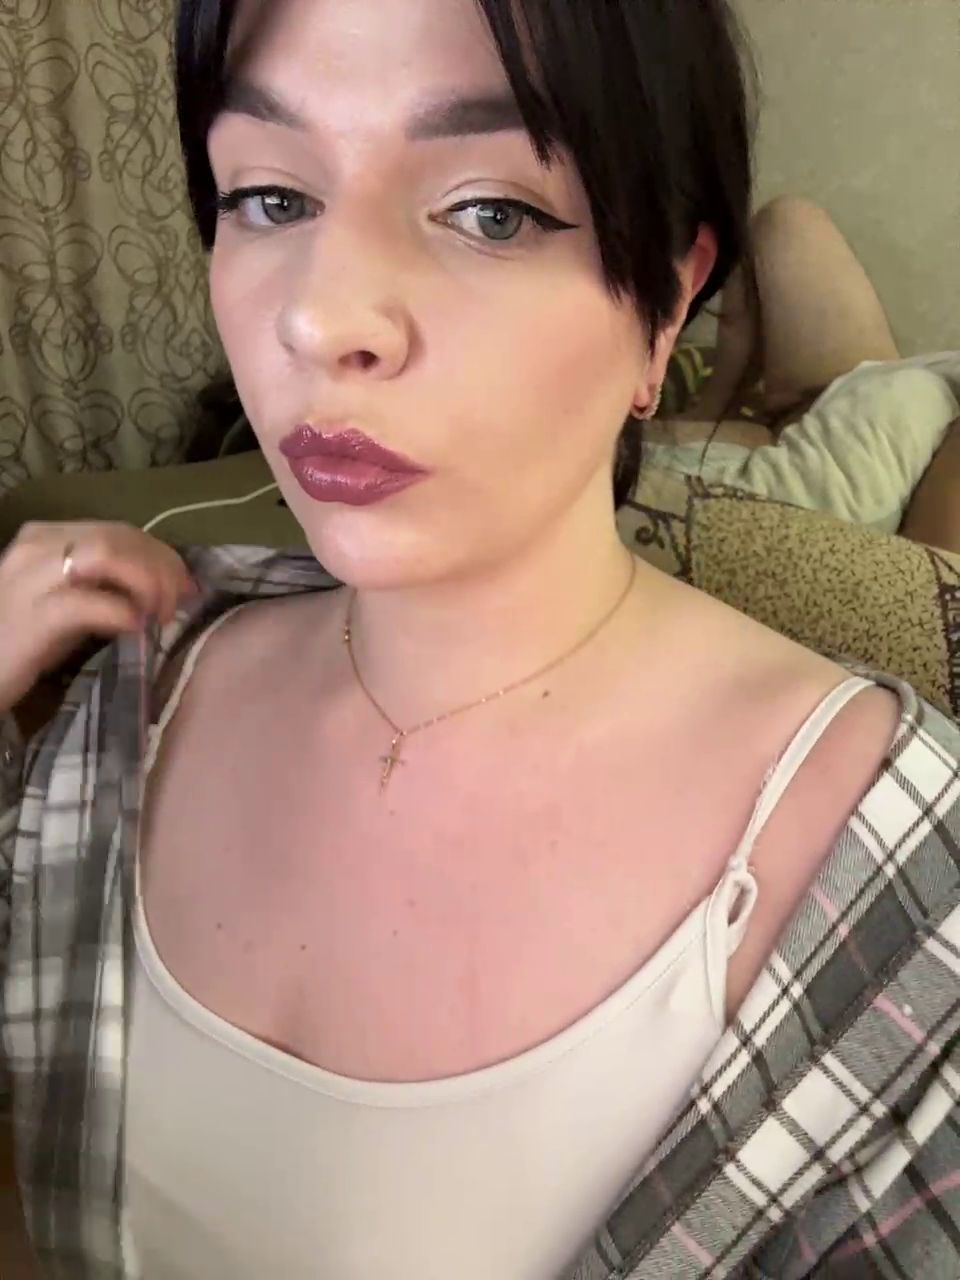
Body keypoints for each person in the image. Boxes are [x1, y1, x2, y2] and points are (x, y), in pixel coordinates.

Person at [0, 1, 958, 1277]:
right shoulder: (124, 693)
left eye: (491, 212)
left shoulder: (904, 888)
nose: (322, 319)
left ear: (667, 300)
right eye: (272, 197)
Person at [644, 195, 960, 538]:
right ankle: (714, 408)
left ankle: (729, 426)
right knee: (788, 221)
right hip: (888, 394)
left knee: (631, 452)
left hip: (879, 464)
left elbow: (928, 564)